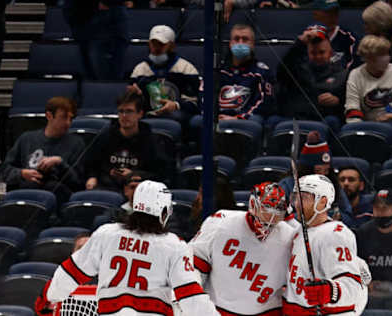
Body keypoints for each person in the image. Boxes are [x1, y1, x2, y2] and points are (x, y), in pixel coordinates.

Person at [37, 180, 220, 315]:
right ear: (164, 211)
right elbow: (191, 296)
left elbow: (71, 272)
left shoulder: (106, 233)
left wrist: (48, 297)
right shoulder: (174, 245)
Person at [190, 182, 296, 315]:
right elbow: (193, 264)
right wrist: (192, 297)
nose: (271, 218)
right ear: (253, 205)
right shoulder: (220, 223)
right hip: (217, 311)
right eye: (267, 209)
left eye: (277, 212)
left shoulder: (290, 237)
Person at [283, 174, 368, 315]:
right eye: (295, 197)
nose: (297, 203)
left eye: (304, 198)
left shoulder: (334, 233)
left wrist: (330, 291)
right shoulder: (301, 230)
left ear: (322, 202)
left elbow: (352, 285)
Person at [0, 97, 84, 207]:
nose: (67, 123)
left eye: (70, 118)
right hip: (28, 198)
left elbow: (78, 182)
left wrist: (60, 163)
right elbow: (3, 171)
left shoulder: (76, 144)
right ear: (49, 116)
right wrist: (22, 173)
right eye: (63, 117)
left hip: (59, 201)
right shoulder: (27, 139)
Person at [85, 91, 167, 191]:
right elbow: (92, 164)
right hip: (107, 186)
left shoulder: (151, 140)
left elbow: (161, 174)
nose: (124, 115)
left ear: (140, 114)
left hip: (139, 189)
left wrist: (134, 174)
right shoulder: (105, 136)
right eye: (121, 111)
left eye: (129, 111)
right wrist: (92, 177)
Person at [277, 25, 348, 133]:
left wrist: (337, 102)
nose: (318, 56)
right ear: (307, 52)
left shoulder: (342, 74)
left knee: (332, 121)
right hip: (296, 117)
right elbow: (282, 71)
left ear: (330, 52)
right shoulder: (296, 69)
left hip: (324, 119)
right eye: (313, 53)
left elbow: (348, 103)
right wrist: (300, 43)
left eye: (322, 52)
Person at [344, 35, 392, 136]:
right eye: (382, 54)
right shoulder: (355, 75)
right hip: (366, 124)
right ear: (368, 58)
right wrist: (360, 130)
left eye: (387, 53)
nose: (387, 57)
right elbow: (352, 108)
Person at [127, 25, 201, 123]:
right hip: (147, 114)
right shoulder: (140, 70)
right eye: (154, 44)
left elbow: (194, 103)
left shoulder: (186, 69)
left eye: (161, 44)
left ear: (172, 46)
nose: (156, 48)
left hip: (178, 115)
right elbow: (130, 103)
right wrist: (136, 97)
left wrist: (176, 105)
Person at [279, 131, 352, 222]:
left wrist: (339, 216)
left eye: (326, 170)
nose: (323, 175)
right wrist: (312, 215)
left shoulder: (333, 184)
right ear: (306, 169)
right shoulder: (288, 184)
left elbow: (348, 215)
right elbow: (279, 217)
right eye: (318, 170)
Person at [217, 24, 276, 122]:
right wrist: (214, 117)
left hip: (246, 119)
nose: (240, 43)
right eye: (236, 39)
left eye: (245, 39)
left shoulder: (262, 72)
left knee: (256, 120)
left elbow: (263, 103)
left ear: (253, 44)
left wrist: (239, 118)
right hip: (217, 117)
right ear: (230, 43)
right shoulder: (218, 70)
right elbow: (205, 96)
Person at [62, 0, 130, 80]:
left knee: (116, 70)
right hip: (87, 22)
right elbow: (69, 11)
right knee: (94, 73)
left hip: (115, 16)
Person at [310, 0, 359, 69]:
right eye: (328, 12)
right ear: (316, 14)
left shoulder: (349, 38)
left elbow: (354, 66)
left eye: (335, 12)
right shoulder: (307, 37)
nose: (334, 15)